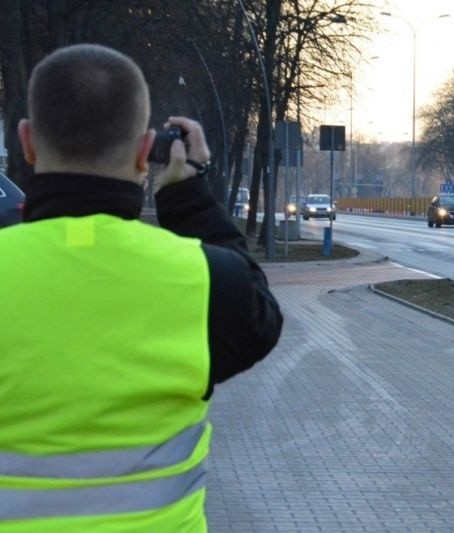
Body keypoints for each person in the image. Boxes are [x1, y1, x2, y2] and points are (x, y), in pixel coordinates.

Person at [0, 44, 283, 531]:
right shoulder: (209, 281)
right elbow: (257, 308)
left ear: (27, 141)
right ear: (144, 148)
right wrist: (188, 195)